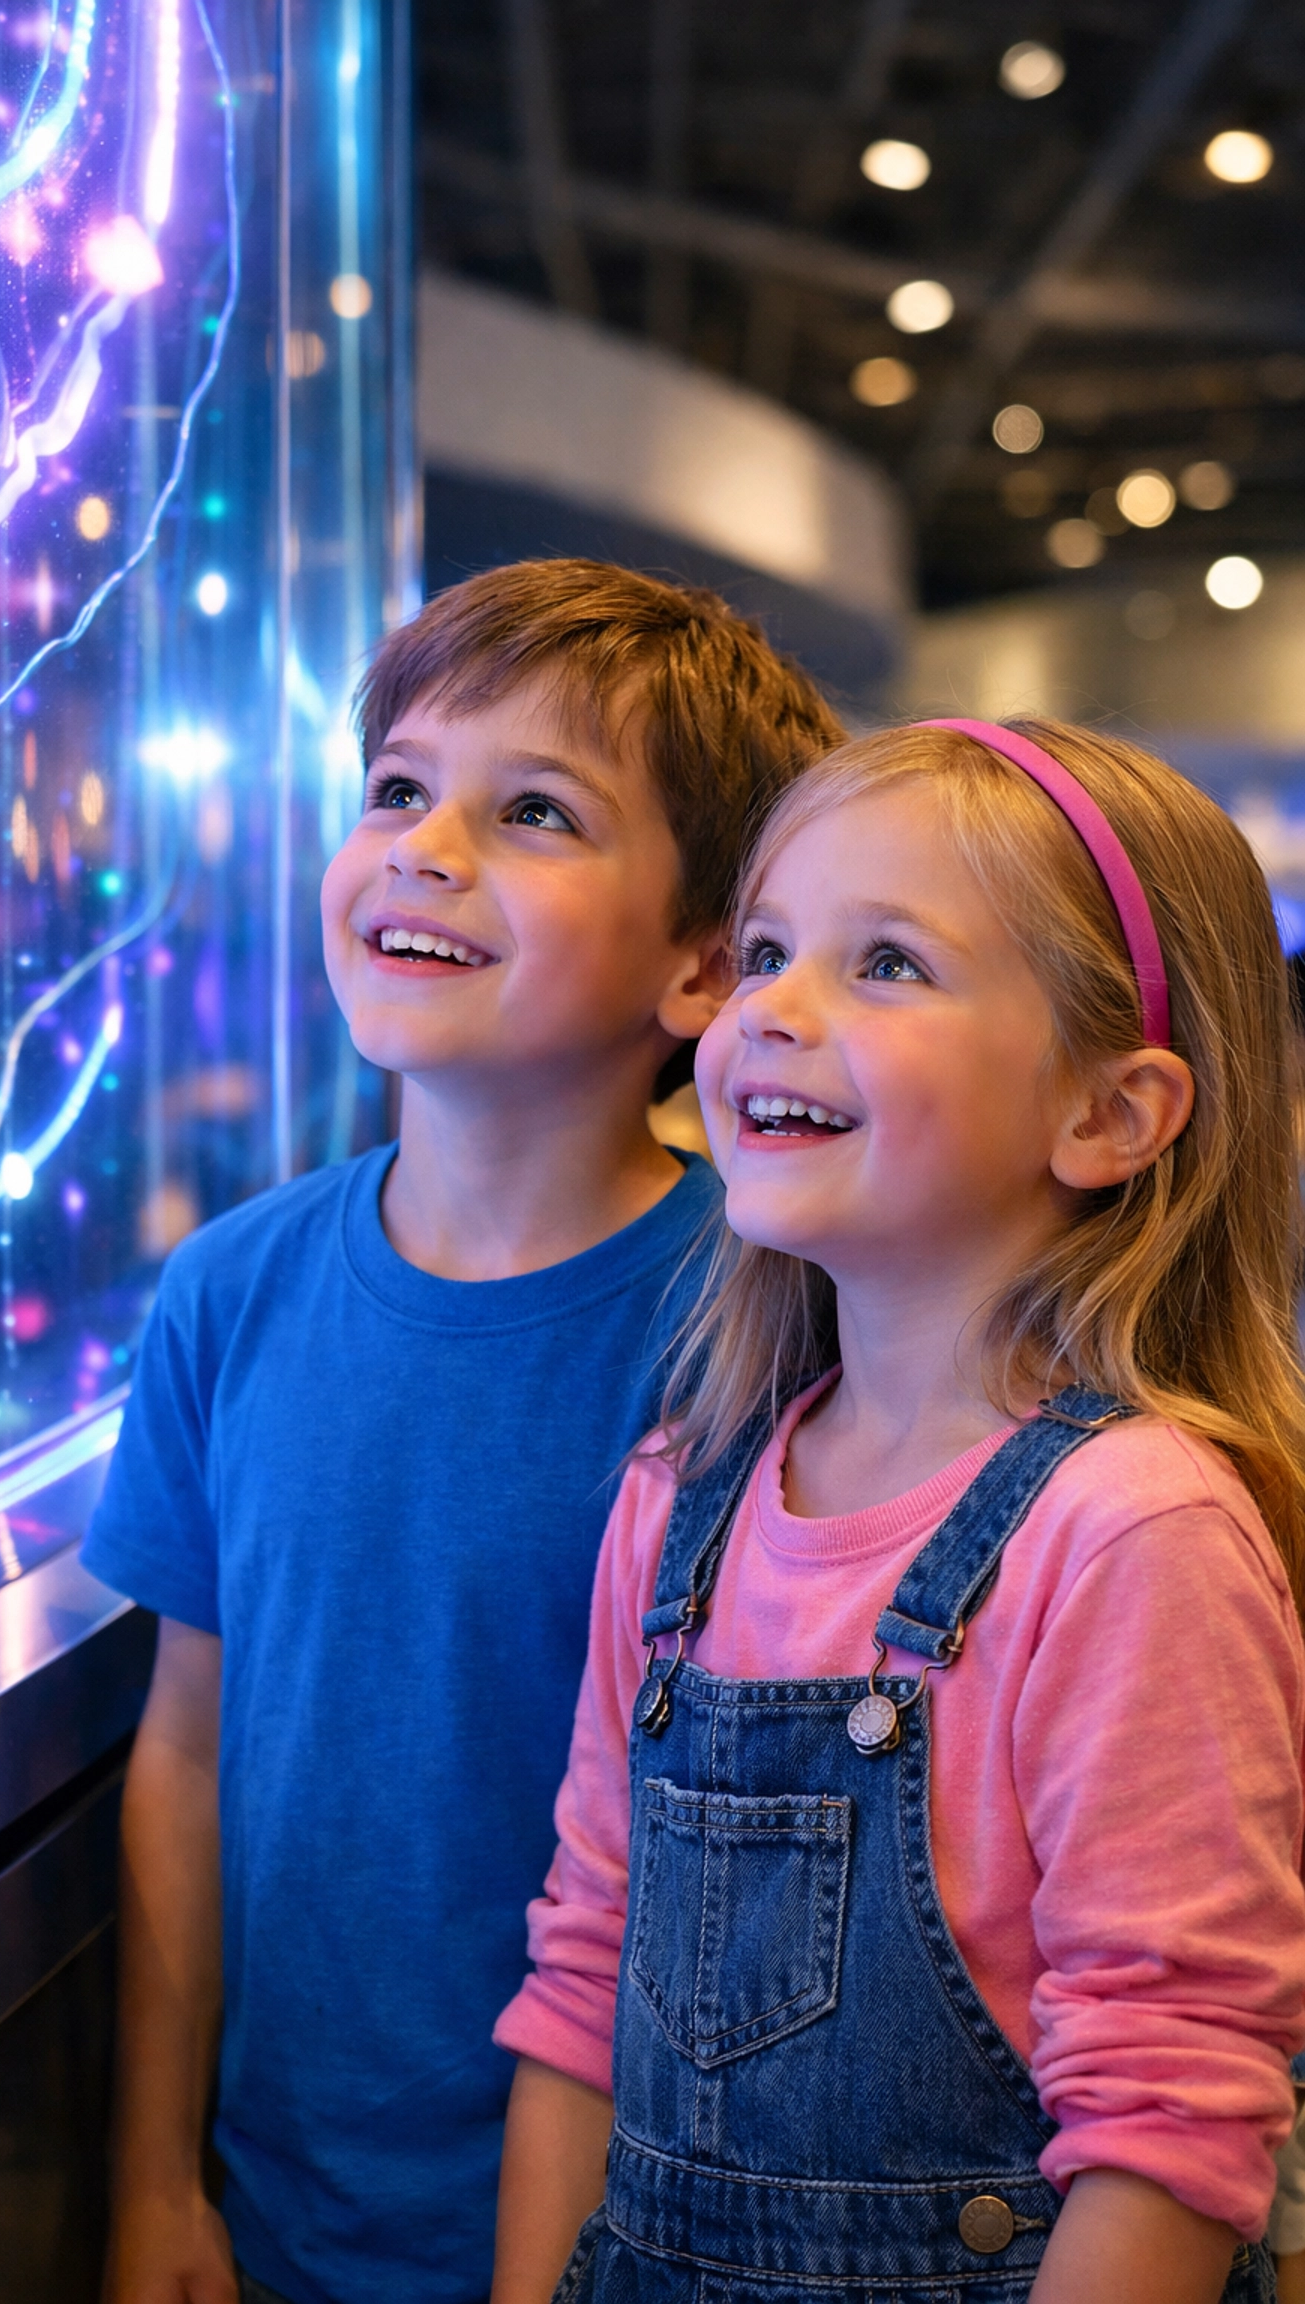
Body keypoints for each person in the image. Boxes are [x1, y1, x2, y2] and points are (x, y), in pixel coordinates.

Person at [86, 558, 846, 2304]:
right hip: (278, 2222)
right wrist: (152, 2183)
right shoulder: (229, 1291)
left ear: (702, 966)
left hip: (655, 2238)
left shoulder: (771, 1320)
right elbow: (186, 1753)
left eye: (535, 812)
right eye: (398, 788)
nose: (425, 848)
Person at [491, 716, 1305, 2304]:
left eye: (887, 964)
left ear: (1109, 1114)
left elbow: (1171, 2122)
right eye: (767, 951)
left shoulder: (1131, 1533)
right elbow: (585, 1974)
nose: (770, 1011)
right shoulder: (677, 1500)